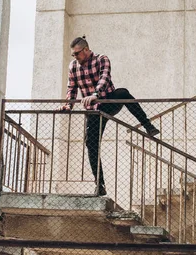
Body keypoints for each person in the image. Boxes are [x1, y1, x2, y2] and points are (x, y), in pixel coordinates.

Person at [59, 36, 160, 196]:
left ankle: (148, 126)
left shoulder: (101, 59)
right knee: (90, 143)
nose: (75, 57)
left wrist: (95, 94)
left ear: (86, 50)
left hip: (107, 100)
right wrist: (68, 105)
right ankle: (100, 184)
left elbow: (105, 79)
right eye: (73, 55)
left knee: (123, 92)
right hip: (93, 111)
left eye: (77, 53)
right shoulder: (73, 66)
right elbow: (71, 89)